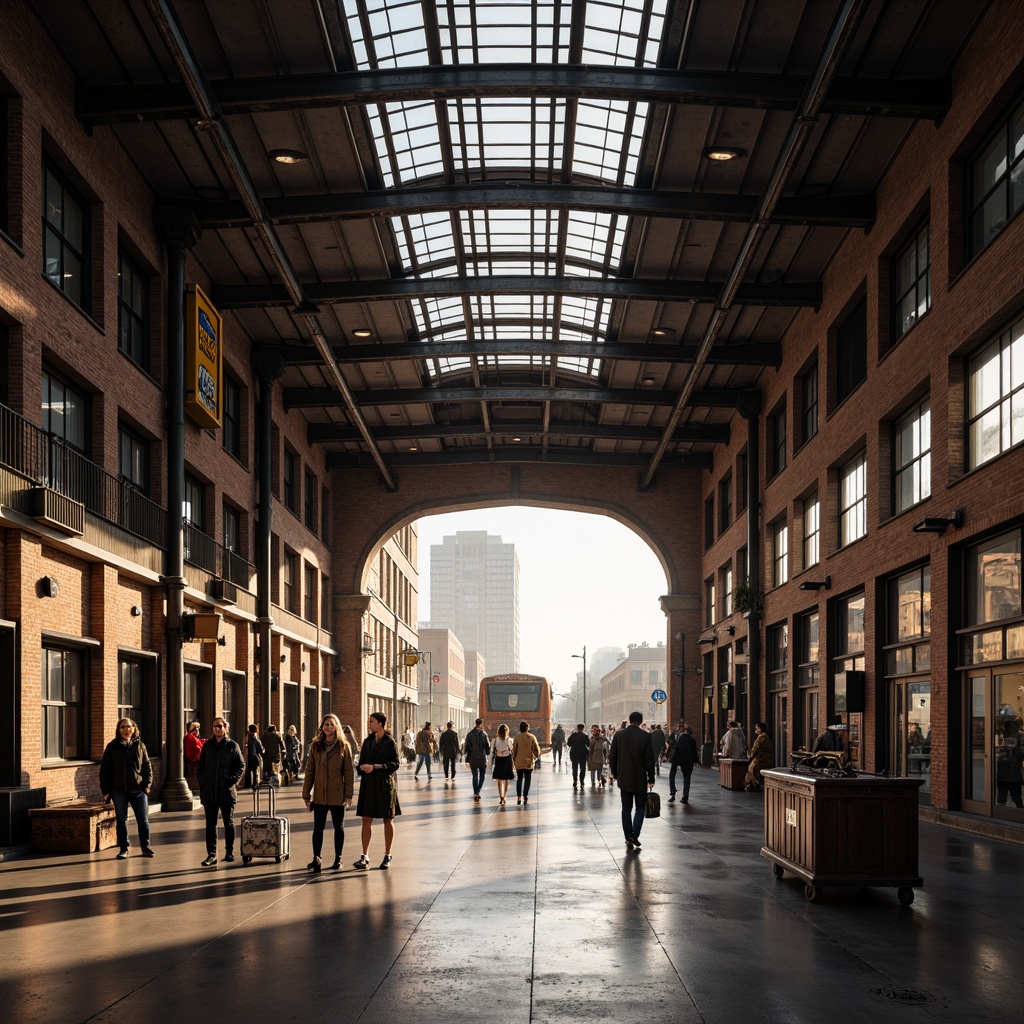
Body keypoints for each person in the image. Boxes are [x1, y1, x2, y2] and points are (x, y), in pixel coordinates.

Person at [302, 714, 354, 872]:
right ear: (322, 727)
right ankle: (316, 858)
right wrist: (306, 794)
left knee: (339, 827)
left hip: (337, 794)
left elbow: (348, 772)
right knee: (318, 828)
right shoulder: (316, 745)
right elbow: (310, 770)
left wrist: (349, 794)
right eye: (326, 724)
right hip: (319, 795)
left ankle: (338, 858)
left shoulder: (344, 746)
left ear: (336, 727)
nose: (328, 727)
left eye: (331, 724)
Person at [99, 717, 154, 859]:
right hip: (119, 791)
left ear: (134, 728)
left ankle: (145, 846)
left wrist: (146, 786)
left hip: (138, 791)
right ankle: (124, 848)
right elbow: (104, 770)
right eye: (122, 727)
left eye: (128, 727)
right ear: (118, 730)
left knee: (143, 820)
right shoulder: (112, 747)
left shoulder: (140, 745)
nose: (126, 730)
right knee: (121, 820)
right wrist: (106, 791)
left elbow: (147, 767)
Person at [353, 712, 401, 870]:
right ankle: (364, 856)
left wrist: (376, 767)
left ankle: (388, 855)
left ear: (381, 723)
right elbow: (361, 762)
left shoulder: (390, 742)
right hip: (368, 785)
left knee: (388, 819)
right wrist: (362, 767)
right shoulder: (368, 741)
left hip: (385, 786)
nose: (369, 724)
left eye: (372, 721)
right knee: (366, 819)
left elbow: (395, 764)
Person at [197, 717, 245, 866]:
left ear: (225, 728)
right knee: (210, 825)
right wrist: (203, 782)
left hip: (226, 792)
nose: (216, 729)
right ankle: (211, 854)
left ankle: (229, 852)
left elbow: (241, 765)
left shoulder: (232, 746)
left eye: (219, 726)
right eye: (214, 726)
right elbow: (201, 767)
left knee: (228, 823)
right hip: (209, 792)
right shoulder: (207, 746)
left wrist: (232, 781)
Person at [608, 711, 656, 851]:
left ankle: (628, 835)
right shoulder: (645, 736)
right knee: (640, 808)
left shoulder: (619, 735)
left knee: (626, 808)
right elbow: (649, 760)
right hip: (640, 778)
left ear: (629, 721)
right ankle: (634, 834)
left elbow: (612, 757)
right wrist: (651, 778)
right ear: (641, 722)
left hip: (624, 778)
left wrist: (615, 774)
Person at [512, 721, 541, 805]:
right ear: (527, 728)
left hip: (519, 762)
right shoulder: (532, 737)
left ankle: (518, 797)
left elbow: (514, 751)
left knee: (519, 779)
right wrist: (535, 757)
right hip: (529, 762)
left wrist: (515, 760)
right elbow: (537, 750)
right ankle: (525, 797)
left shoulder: (516, 738)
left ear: (519, 728)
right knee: (527, 780)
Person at [669, 723, 698, 803]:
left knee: (672, 774)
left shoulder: (677, 738)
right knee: (687, 777)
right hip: (688, 761)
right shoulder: (692, 739)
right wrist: (695, 760)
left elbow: (674, 748)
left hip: (677, 759)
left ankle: (673, 792)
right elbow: (694, 751)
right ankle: (685, 796)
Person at [464, 718, 491, 802]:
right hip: (482, 757)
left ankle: (475, 792)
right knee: (482, 776)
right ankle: (478, 791)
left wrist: (467, 759)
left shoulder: (469, 734)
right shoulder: (484, 734)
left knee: (475, 776)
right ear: (481, 724)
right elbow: (487, 747)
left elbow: (467, 747)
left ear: (475, 724)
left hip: (473, 757)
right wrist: (487, 753)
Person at [745, 722, 774, 792]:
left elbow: (755, 749)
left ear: (760, 729)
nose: (756, 730)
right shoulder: (765, 737)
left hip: (761, 759)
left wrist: (750, 755)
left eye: (757, 728)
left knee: (754, 770)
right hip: (764, 759)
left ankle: (755, 786)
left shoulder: (762, 737)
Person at [491, 723, 514, 805]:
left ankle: (500, 796)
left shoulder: (495, 740)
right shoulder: (509, 739)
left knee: (499, 779)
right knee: (506, 779)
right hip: (507, 758)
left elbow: (492, 751)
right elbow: (512, 749)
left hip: (498, 758)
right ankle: (504, 796)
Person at [567, 723, 589, 790]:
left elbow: (569, 744)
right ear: (583, 728)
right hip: (583, 754)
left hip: (574, 753)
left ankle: (575, 780)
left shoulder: (573, 735)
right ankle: (582, 781)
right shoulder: (585, 736)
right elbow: (588, 745)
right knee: (583, 768)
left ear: (577, 728)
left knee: (575, 768)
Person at [184, 720, 204, 793]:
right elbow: (197, 748)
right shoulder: (190, 737)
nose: (198, 729)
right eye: (197, 727)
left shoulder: (194, 737)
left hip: (196, 760)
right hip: (194, 761)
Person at [244, 724, 264, 789]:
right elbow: (260, 749)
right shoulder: (254, 739)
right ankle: (254, 784)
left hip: (247, 756)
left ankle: (248, 784)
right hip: (254, 757)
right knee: (255, 771)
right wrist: (262, 750)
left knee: (249, 770)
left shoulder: (247, 737)